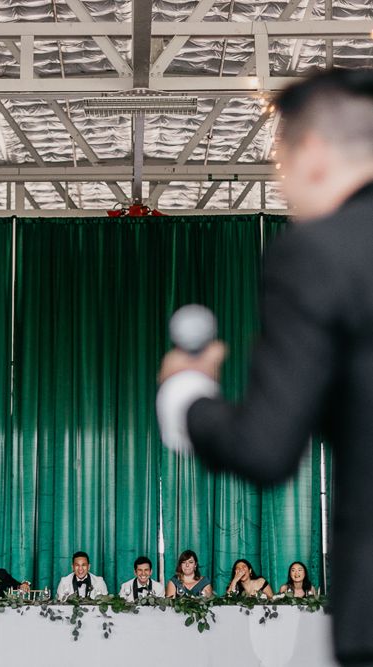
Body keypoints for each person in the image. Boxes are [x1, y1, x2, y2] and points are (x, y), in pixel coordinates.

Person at [156, 69, 373, 665]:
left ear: (314, 153)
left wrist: (186, 394)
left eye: (280, 163)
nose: (284, 186)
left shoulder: (322, 253)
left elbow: (267, 448)